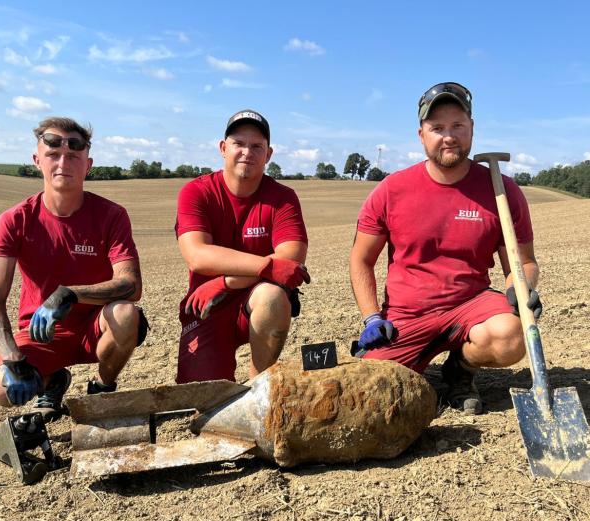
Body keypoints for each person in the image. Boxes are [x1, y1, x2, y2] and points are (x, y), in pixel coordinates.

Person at [349, 82, 541, 414]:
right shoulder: (391, 190)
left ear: (472, 130)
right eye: (437, 127)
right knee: (370, 392)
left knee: (511, 335)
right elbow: (361, 260)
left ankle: (459, 371)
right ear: (421, 134)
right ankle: (412, 362)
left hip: (471, 305)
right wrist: (371, 317)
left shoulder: (501, 191)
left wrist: (519, 290)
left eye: (458, 126)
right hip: (408, 313)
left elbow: (523, 263)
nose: (448, 136)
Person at [0, 117, 147, 421]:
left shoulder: (111, 215)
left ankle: (102, 387)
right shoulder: (15, 220)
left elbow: (130, 285)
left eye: (73, 156)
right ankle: (52, 380)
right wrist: (13, 359)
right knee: (0, 389)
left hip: (96, 327)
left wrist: (70, 295)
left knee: (126, 313)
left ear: (88, 164)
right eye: (53, 155)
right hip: (42, 333)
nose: (62, 163)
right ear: (36, 161)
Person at [175, 109, 309, 383]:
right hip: (207, 307)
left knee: (273, 296)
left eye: (257, 146)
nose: (247, 151)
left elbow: (290, 259)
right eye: (239, 143)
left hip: (253, 298)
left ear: (268, 154)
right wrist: (265, 265)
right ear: (223, 148)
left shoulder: (283, 198)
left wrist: (225, 282)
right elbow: (198, 256)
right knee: (203, 396)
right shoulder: (196, 192)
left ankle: (258, 385)